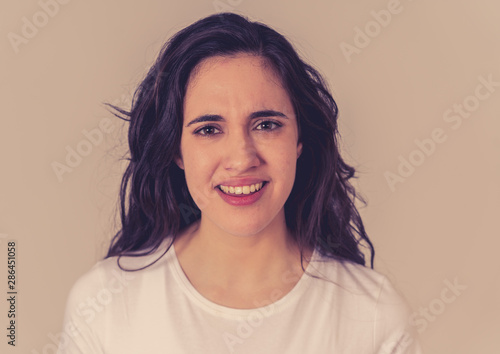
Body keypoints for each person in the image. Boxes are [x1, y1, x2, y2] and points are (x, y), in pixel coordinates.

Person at [57, 12, 422, 353]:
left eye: (266, 125)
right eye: (209, 129)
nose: (242, 158)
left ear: (299, 140)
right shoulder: (103, 303)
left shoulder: (373, 316)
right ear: (177, 151)